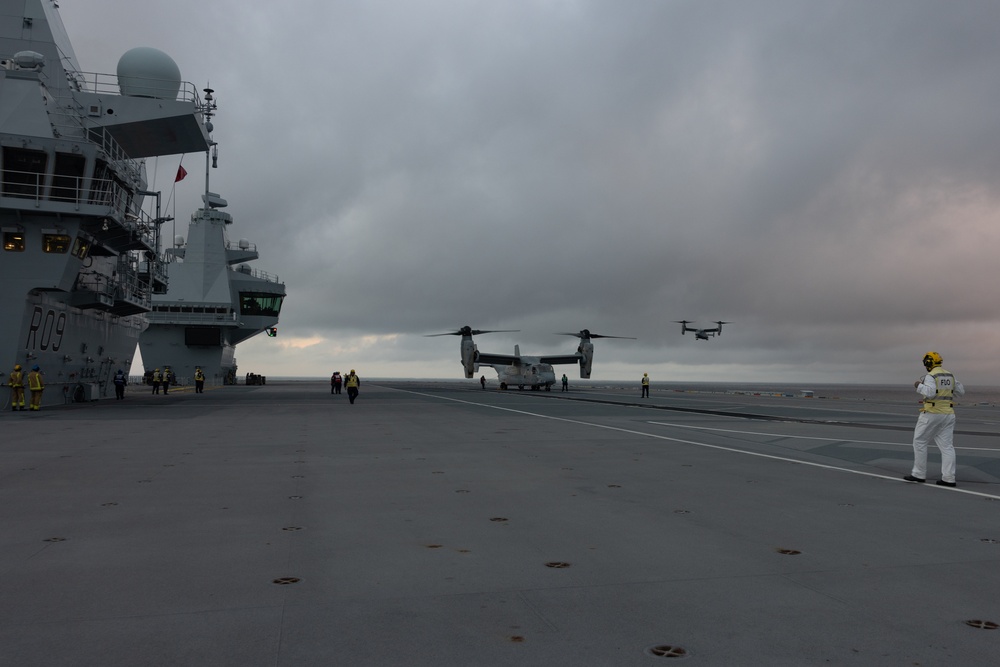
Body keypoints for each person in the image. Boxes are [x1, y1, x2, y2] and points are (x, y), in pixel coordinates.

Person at [904, 351, 964, 487]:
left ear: (928, 363)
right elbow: (961, 392)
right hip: (948, 414)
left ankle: (918, 474)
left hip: (931, 413)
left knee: (919, 441)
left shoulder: (931, 376)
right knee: (947, 447)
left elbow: (930, 393)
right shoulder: (949, 375)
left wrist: (918, 385)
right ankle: (949, 478)